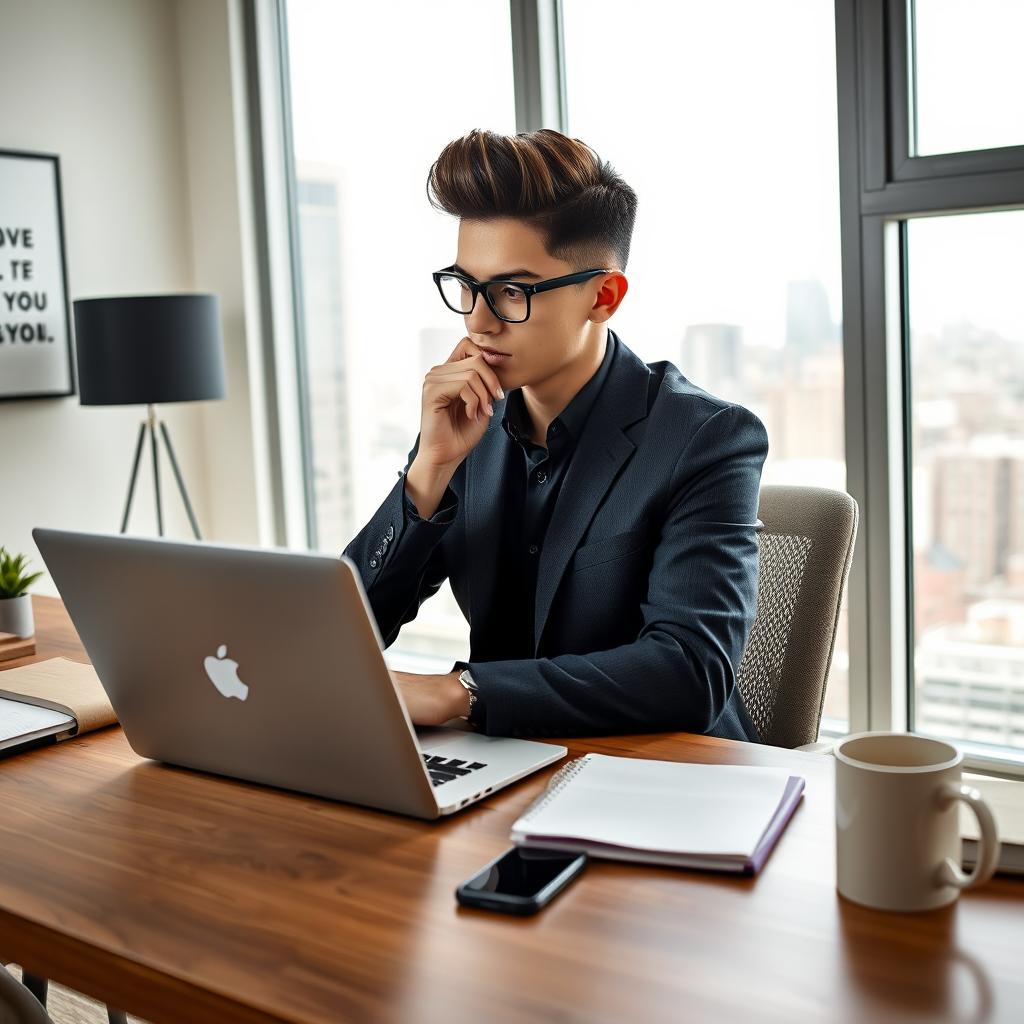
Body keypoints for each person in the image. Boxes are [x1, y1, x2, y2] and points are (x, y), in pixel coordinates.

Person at [343, 128, 768, 742]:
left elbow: (689, 672)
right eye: (466, 286)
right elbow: (349, 635)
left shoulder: (707, 438)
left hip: (663, 777)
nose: (478, 320)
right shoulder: (466, 420)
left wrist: (458, 692)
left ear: (604, 295)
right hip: (502, 763)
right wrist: (430, 469)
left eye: (511, 291)